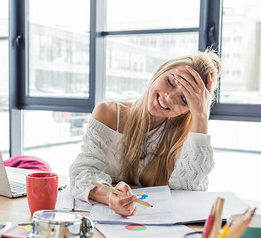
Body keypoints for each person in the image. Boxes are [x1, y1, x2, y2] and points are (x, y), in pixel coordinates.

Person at [69, 49, 222, 217]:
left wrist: (201, 116)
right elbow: (83, 172)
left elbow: (189, 193)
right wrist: (109, 196)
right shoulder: (108, 113)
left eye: (185, 99)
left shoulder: (186, 137)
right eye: (170, 82)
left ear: (188, 110)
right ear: (160, 72)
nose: (169, 97)